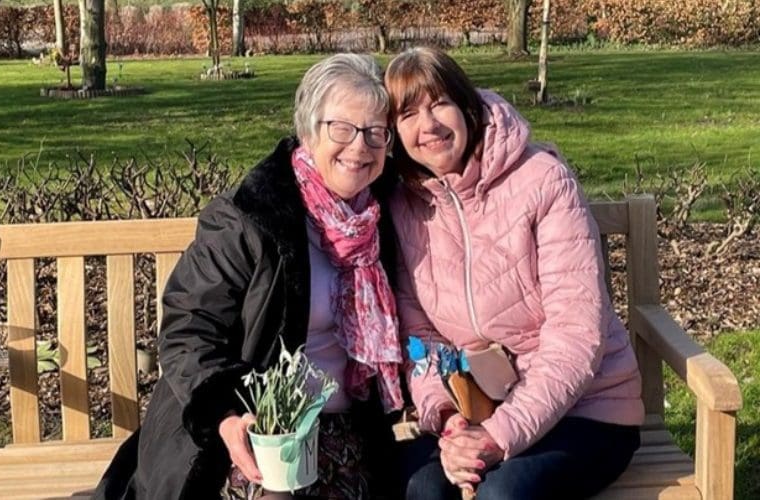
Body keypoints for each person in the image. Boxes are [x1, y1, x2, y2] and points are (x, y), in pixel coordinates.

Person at [93, 53, 404, 500]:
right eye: (342, 128)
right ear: (307, 131)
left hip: (348, 432)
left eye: (375, 132)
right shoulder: (250, 217)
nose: (360, 146)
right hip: (248, 431)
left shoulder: (383, 217)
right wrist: (223, 414)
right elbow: (188, 329)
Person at [385, 47, 644, 500]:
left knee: (503, 494)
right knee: (421, 488)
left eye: (439, 103)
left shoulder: (543, 181)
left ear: (467, 106)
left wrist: (499, 435)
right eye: (408, 113)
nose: (428, 125)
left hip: (588, 409)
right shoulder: (406, 207)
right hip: (475, 412)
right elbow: (420, 335)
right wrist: (447, 419)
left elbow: (576, 335)